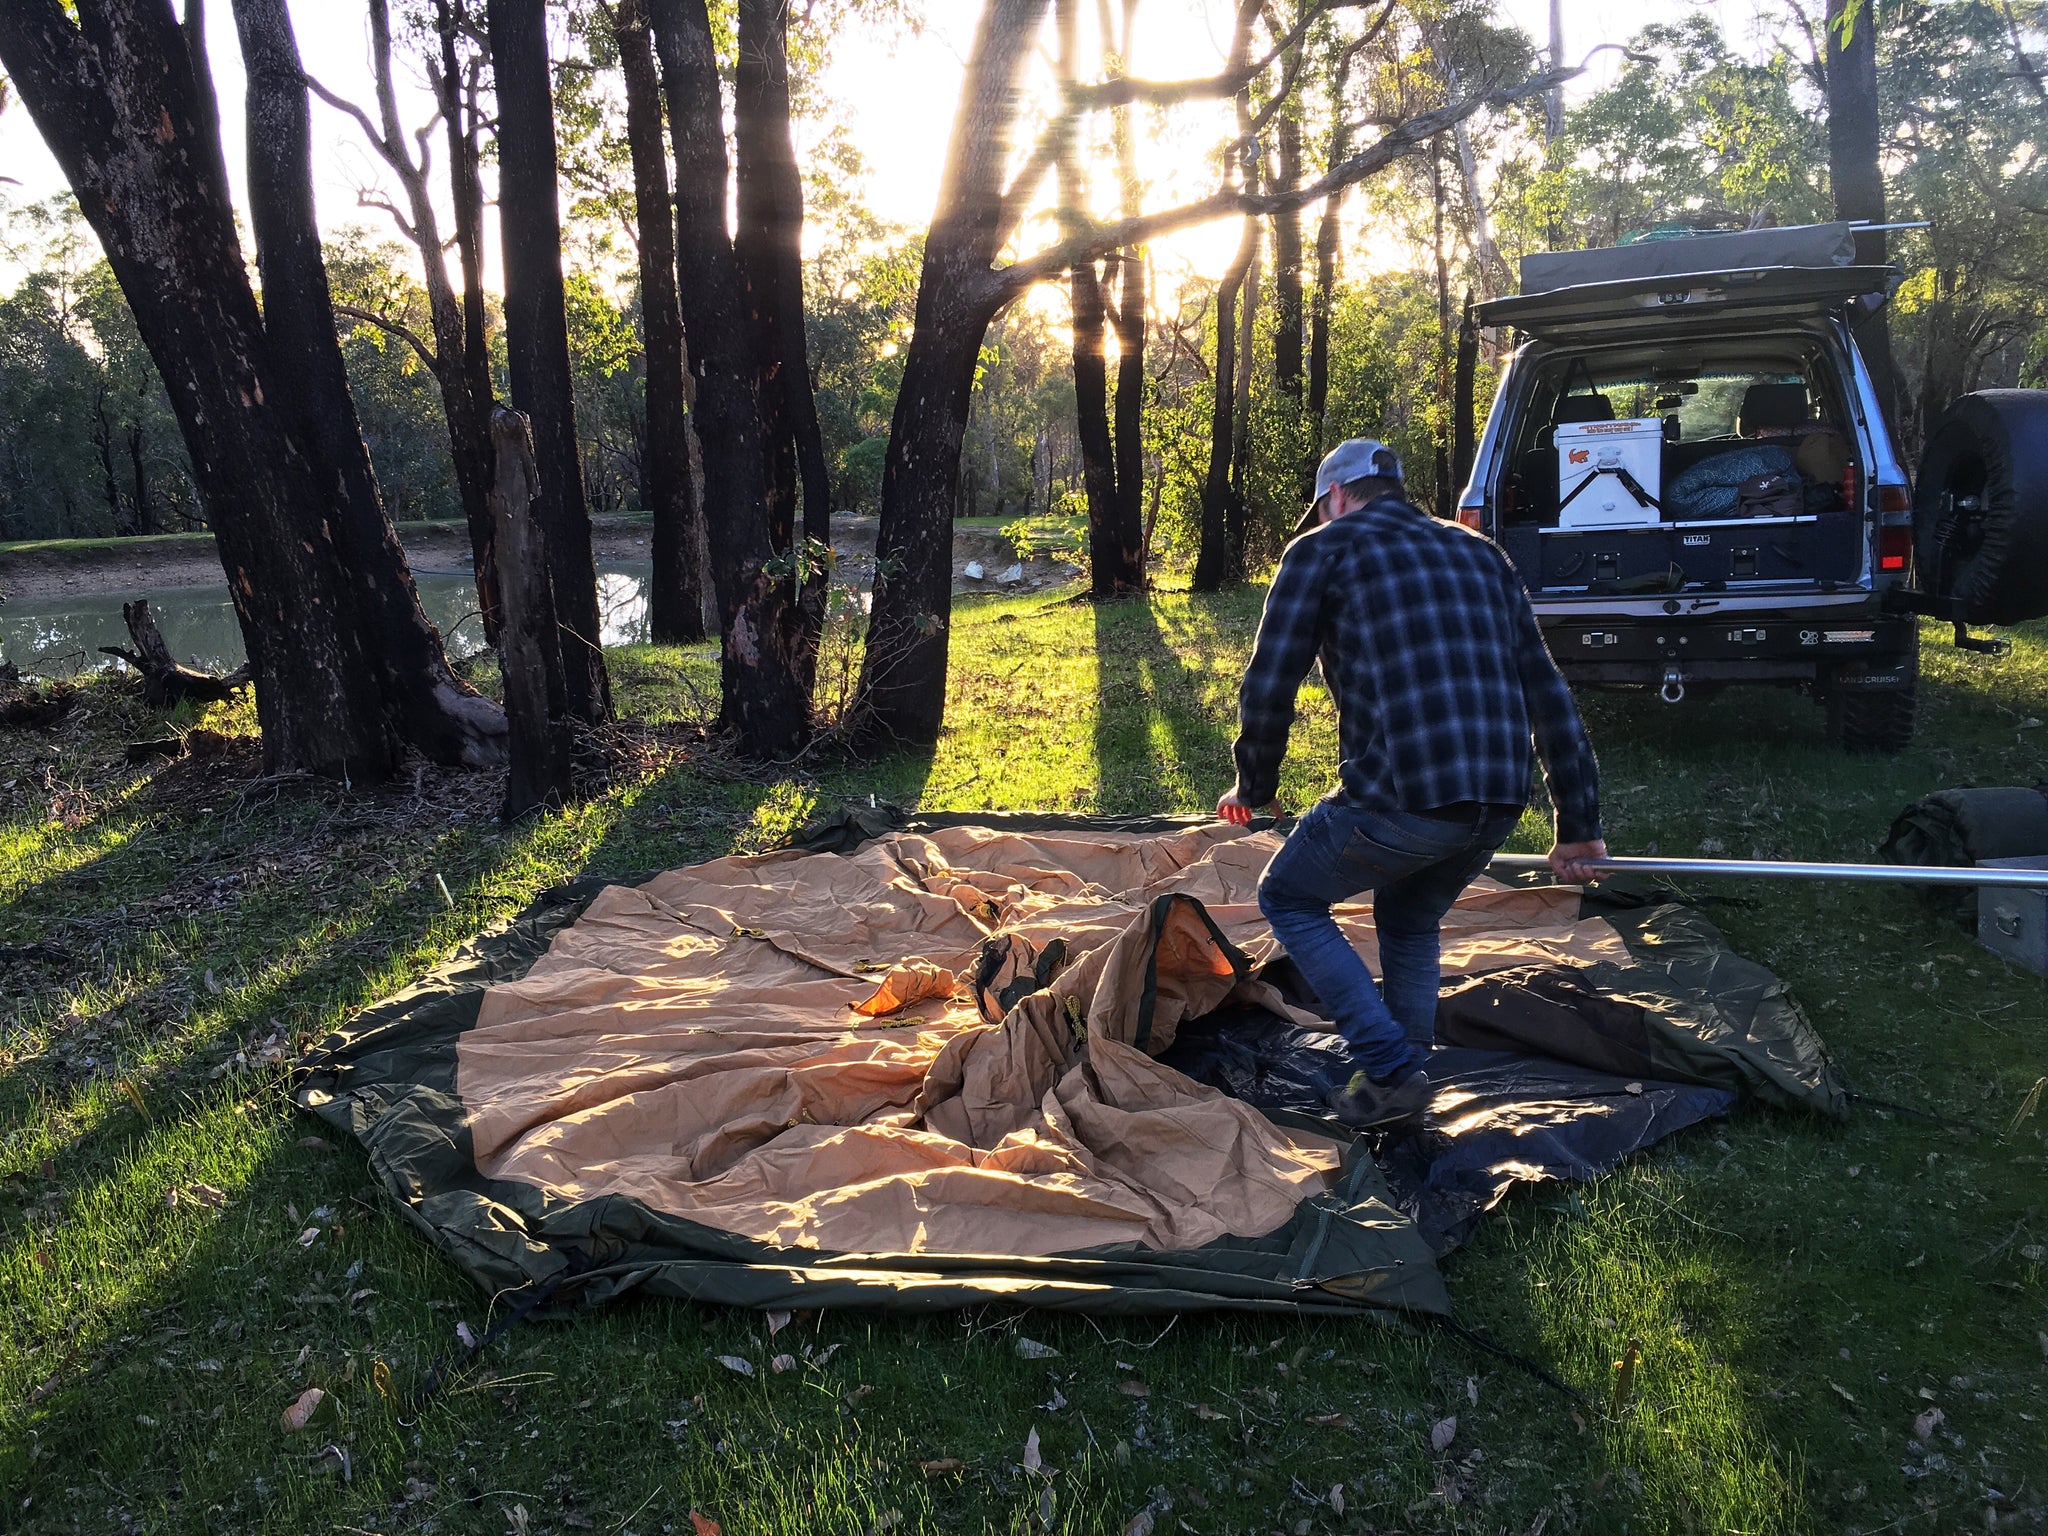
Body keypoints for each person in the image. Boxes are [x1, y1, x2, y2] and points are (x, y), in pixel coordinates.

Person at [1216, 439, 1606, 1130]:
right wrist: (1577, 824)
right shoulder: (1482, 554)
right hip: (1495, 801)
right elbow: (1548, 691)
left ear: (1335, 498)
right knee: (1409, 917)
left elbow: (1271, 683)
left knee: (1288, 894)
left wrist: (1254, 786)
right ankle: (1404, 1078)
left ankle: (1390, 1065)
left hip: (1401, 797)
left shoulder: (1322, 551)